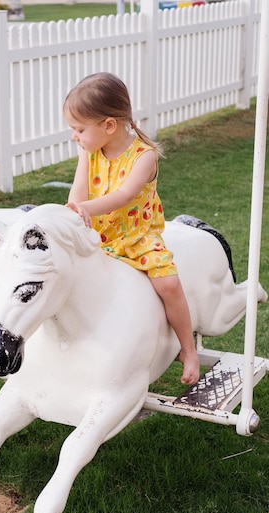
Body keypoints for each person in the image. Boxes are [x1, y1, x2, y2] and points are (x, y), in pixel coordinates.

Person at [63, 72, 200, 386]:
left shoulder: (144, 156)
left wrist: (83, 209)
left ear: (109, 125)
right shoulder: (88, 150)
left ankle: (188, 348)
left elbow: (123, 197)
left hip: (135, 235)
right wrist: (73, 211)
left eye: (79, 129)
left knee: (167, 283)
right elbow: (78, 190)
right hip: (96, 232)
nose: (75, 137)